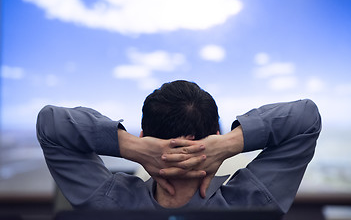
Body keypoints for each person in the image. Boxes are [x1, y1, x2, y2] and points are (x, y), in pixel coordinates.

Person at [36, 80, 321, 214]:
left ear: (145, 134)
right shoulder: (252, 201)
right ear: (216, 134)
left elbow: (51, 125)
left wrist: (131, 147)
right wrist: (230, 144)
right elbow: (306, 119)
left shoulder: (108, 202)